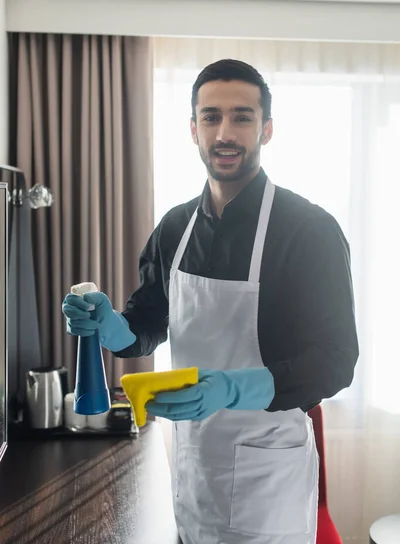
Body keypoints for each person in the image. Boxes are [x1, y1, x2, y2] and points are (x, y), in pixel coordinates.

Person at [62, 59, 359, 544]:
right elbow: (147, 321)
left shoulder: (310, 232)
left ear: (266, 130)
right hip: (193, 469)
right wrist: (111, 326)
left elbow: (336, 362)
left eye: (242, 117)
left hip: (270, 483)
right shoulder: (176, 228)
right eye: (210, 117)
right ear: (192, 129)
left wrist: (230, 389)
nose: (225, 132)